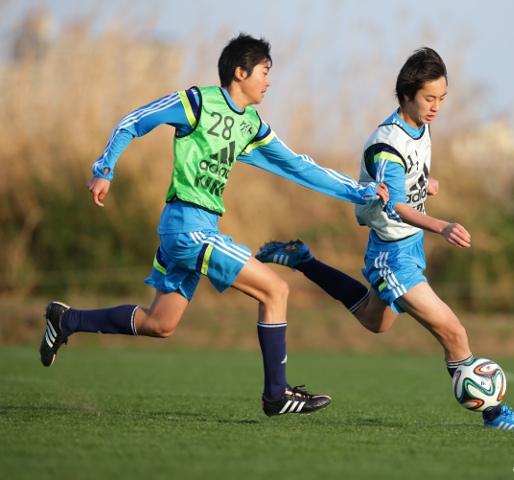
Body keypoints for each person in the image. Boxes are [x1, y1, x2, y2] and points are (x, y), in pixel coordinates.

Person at [39, 33, 389, 418]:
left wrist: (361, 192)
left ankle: (66, 319)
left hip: (197, 226)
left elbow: (298, 165)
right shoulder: (197, 102)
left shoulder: (252, 124)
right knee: (275, 290)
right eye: (264, 72)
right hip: (187, 227)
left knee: (160, 324)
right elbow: (134, 121)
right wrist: (104, 169)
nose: (269, 81)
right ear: (240, 72)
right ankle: (276, 395)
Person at [256, 47, 514, 429]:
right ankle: (495, 414)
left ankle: (304, 260)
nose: (436, 106)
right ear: (406, 95)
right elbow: (396, 207)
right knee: (453, 331)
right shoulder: (387, 145)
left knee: (377, 323)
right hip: (393, 256)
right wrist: (442, 225)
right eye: (429, 98)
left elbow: (408, 181)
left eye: (441, 98)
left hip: (408, 248)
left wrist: (426, 182)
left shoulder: (420, 125)